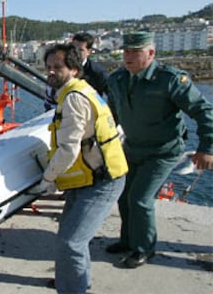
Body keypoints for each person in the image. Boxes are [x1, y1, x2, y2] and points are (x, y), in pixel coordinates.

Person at [106, 31, 213, 269]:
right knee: (124, 196)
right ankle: (128, 240)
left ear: (151, 53)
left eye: (135, 51)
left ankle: (144, 248)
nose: (128, 56)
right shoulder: (117, 80)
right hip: (132, 147)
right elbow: (110, 114)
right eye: (125, 51)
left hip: (164, 151)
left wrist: (207, 147)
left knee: (140, 199)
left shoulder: (170, 80)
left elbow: (203, 111)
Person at [34, 43, 128, 293]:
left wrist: (48, 178)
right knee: (71, 236)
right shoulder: (82, 90)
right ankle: (75, 282)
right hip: (91, 176)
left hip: (101, 180)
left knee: (71, 242)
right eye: (49, 67)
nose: (51, 72)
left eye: (57, 67)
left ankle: (72, 288)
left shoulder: (73, 98)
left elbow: (68, 150)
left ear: (74, 69)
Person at [44, 32, 108, 111]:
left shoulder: (98, 72)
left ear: (89, 52)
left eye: (80, 50)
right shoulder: (56, 72)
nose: (76, 52)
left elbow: (112, 95)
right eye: (73, 48)